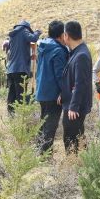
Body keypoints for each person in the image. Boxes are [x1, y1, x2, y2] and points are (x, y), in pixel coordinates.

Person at [35, 20, 69, 154]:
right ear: (61, 35)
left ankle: (38, 152)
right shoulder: (58, 51)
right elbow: (60, 75)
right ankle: (44, 157)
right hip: (53, 94)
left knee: (43, 124)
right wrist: (64, 92)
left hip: (41, 91)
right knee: (50, 127)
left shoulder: (43, 46)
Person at [61, 21, 92, 153]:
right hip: (72, 101)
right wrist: (62, 94)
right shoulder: (76, 51)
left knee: (71, 138)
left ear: (66, 35)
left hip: (75, 106)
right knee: (78, 135)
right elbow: (71, 78)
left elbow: (81, 84)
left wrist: (73, 107)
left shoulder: (81, 55)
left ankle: (73, 162)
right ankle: (86, 159)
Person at [6, 21, 41, 115]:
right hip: (20, 69)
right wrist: (38, 31)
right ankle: (21, 116)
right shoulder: (24, 31)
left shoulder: (13, 35)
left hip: (11, 69)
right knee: (21, 94)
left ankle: (10, 114)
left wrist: (29, 57)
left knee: (12, 93)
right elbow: (33, 38)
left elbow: (17, 52)